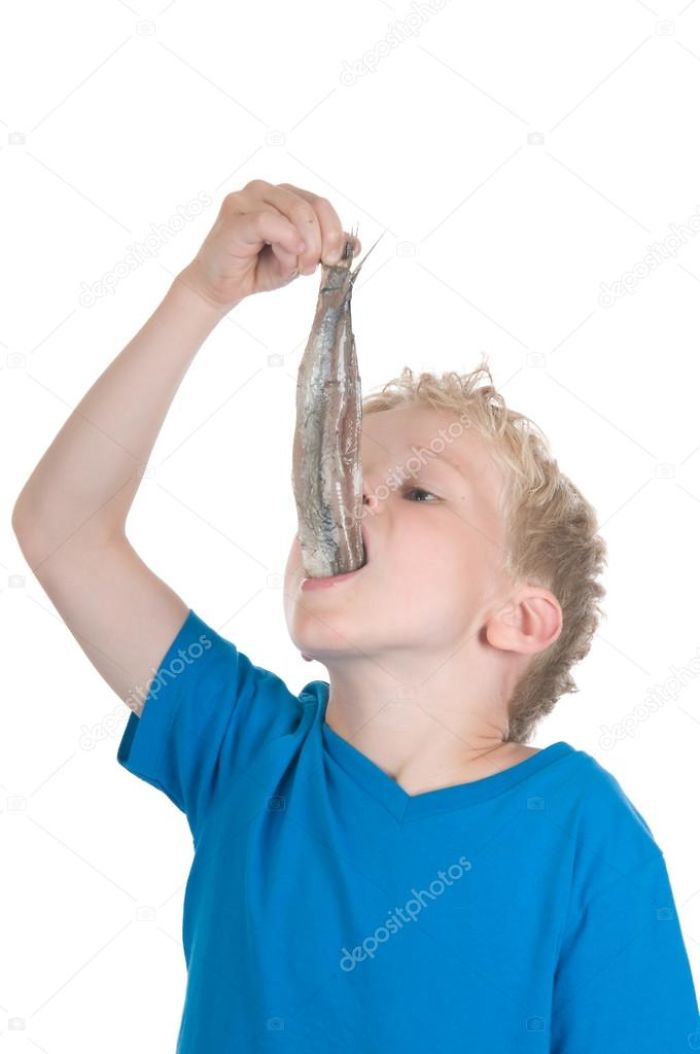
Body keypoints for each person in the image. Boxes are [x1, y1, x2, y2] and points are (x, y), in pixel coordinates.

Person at [12, 179, 699, 1051]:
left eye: (418, 490)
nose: (347, 497)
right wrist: (201, 294)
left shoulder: (578, 830)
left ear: (518, 620)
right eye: (335, 474)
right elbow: (62, 531)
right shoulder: (245, 752)